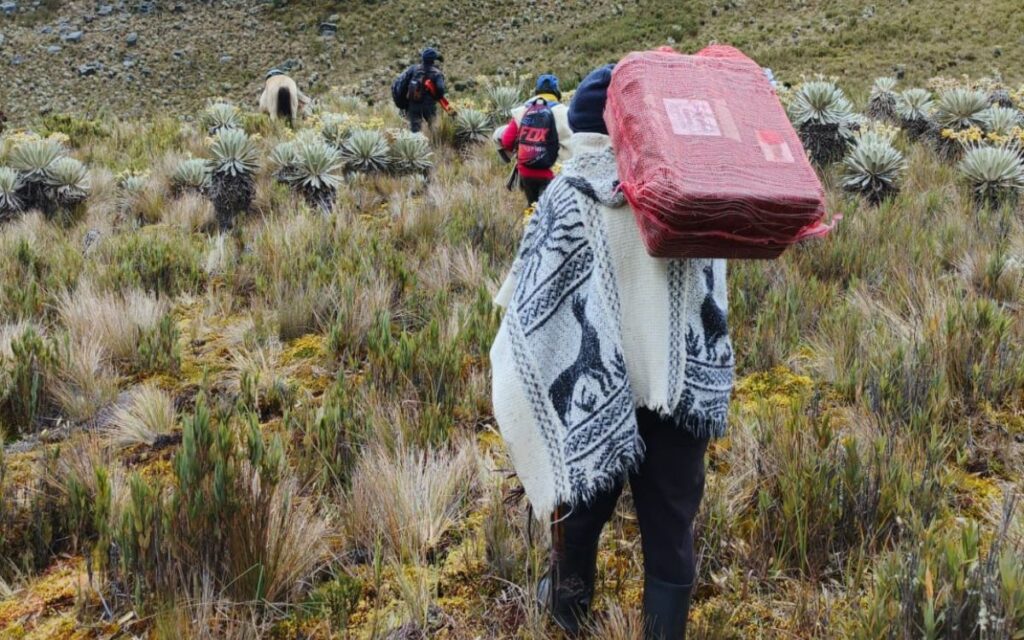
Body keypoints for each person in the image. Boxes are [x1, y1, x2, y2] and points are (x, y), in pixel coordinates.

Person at [490, 64, 734, 639]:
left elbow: (531, 311)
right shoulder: (690, 193)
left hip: (590, 390)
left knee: (578, 521)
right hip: (679, 394)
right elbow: (712, 292)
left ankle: (568, 621)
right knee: (672, 526)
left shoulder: (570, 197)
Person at [493, 74, 573, 206]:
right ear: (556, 93)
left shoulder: (522, 111)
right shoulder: (565, 113)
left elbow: (507, 141)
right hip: (555, 174)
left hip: (527, 173)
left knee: (533, 209)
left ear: (536, 92)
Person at [392, 48, 448, 133]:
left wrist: (404, 102)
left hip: (413, 105)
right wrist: (437, 96)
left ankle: (416, 145)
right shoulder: (437, 73)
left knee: (415, 131)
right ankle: (436, 145)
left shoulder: (413, 69)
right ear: (433, 60)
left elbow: (403, 83)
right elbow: (440, 89)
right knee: (434, 128)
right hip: (429, 106)